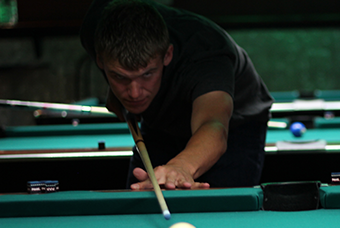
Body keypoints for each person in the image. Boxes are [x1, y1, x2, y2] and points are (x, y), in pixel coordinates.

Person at [80, 0, 273, 190]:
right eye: (120, 76)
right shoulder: (95, 29)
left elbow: (213, 125)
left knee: (222, 213)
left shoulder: (206, 53)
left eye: (147, 74)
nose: (134, 92)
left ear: (167, 55)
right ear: (100, 60)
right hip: (162, 123)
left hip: (235, 127)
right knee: (139, 205)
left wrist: (181, 167)